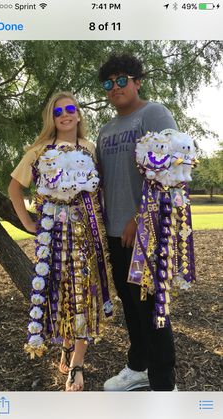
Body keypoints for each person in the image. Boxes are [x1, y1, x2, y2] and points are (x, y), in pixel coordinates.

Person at [8, 91, 113, 391]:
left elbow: (99, 190)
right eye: (58, 111)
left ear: (78, 114)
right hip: (53, 238)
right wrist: (27, 222)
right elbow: (14, 188)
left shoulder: (91, 149)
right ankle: (66, 345)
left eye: (70, 109)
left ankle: (77, 363)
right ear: (51, 118)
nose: (65, 114)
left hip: (86, 239)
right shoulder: (38, 151)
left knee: (83, 294)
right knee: (60, 293)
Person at [97, 54, 178, 391]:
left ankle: (164, 383)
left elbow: (170, 169)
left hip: (145, 232)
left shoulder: (153, 113)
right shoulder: (105, 130)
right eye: (108, 83)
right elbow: (98, 180)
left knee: (151, 308)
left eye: (121, 79)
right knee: (131, 306)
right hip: (115, 233)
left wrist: (139, 218)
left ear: (137, 81)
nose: (115, 87)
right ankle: (139, 367)